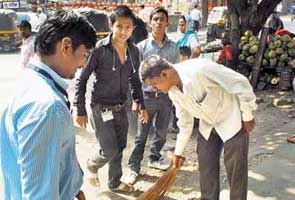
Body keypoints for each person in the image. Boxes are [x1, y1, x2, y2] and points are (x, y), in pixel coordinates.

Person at [0, 10, 97, 200]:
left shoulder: (28, 82)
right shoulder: (48, 108)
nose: (83, 64)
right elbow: (39, 196)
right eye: (84, 55)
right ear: (67, 46)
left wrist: (73, 187)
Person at [139, 55, 257, 200]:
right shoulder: (172, 92)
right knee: (206, 166)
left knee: (236, 170)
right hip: (208, 125)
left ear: (165, 74)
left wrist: (247, 114)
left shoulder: (201, 69)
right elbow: (184, 123)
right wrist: (178, 153)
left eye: (155, 84)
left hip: (231, 120)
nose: (155, 89)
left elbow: (241, 83)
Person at [74, 5, 147, 193]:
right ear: (111, 25)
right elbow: (82, 80)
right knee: (109, 150)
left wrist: (140, 103)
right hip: (101, 108)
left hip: (122, 106)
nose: (123, 31)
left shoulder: (133, 51)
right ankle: (91, 165)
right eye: (119, 26)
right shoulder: (100, 50)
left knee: (120, 147)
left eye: (128, 27)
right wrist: (80, 109)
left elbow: (135, 80)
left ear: (133, 29)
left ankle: (114, 183)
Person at [126, 7, 180, 185]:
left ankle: (154, 158)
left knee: (162, 132)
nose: (158, 22)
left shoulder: (174, 48)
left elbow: (176, 72)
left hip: (166, 97)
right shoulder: (141, 47)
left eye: (162, 19)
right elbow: (134, 76)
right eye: (155, 19)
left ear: (167, 22)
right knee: (141, 135)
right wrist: (136, 100)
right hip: (146, 97)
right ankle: (133, 167)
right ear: (150, 23)